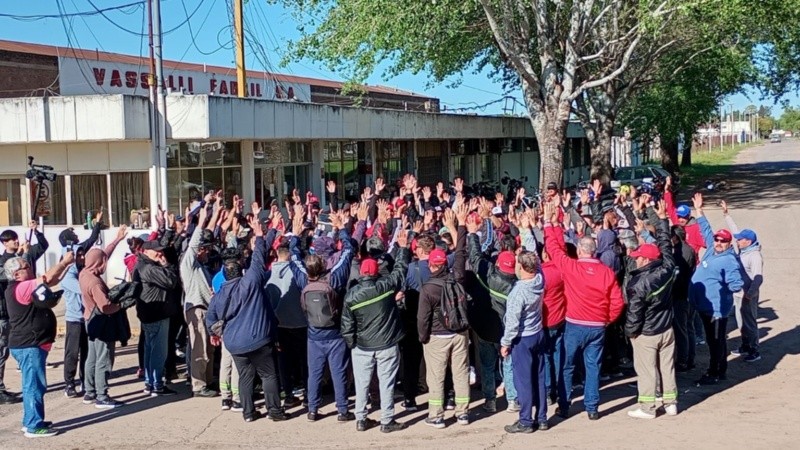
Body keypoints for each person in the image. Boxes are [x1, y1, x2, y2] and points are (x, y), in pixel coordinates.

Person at [543, 200, 625, 420]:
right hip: (597, 325)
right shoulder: (606, 272)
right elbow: (618, 301)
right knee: (592, 367)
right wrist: (607, 319)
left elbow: (554, 250)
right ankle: (592, 408)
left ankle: (564, 405)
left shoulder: (572, 267)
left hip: (574, 324)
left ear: (579, 250)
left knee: (567, 367)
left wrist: (551, 225)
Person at [206, 215, 287, 422]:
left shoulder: (219, 294)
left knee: (245, 376)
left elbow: (210, 319)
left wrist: (218, 333)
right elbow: (259, 257)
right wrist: (261, 235)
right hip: (258, 338)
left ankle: (248, 413)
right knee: (268, 375)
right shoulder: (250, 282)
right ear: (240, 269)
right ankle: (275, 412)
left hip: (235, 343)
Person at [286, 210, 357, 422]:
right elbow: (348, 251)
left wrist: (297, 235)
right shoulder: (335, 278)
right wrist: (342, 228)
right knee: (338, 372)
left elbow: (293, 256)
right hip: (335, 332)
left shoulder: (303, 279)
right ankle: (343, 410)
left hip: (314, 333)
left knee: (314, 373)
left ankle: (313, 409)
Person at [340, 227, 410, 433]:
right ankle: (387, 421)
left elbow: (346, 325)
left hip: (362, 346)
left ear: (362, 272)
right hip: (386, 343)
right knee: (386, 383)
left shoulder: (352, 295)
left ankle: (361, 418)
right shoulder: (385, 286)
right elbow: (400, 270)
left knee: (361, 385)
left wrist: (352, 344)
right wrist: (403, 248)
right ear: (376, 271)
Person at [4, 251, 73, 437]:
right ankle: (33, 425)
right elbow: (47, 277)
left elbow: (51, 281)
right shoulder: (21, 287)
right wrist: (64, 261)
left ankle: (32, 420)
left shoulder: (24, 286)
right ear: (16, 274)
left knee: (33, 384)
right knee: (34, 385)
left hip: (31, 344)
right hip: (29, 345)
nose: (30, 269)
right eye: (26, 267)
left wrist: (65, 265)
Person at [624, 201, 679, 419]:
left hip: (647, 333)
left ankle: (647, 408)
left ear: (646, 259)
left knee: (647, 371)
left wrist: (631, 333)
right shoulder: (667, 267)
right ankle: (671, 402)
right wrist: (663, 220)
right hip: (666, 327)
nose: (636, 260)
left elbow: (634, 314)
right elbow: (665, 245)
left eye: (638, 257)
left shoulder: (638, 285)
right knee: (667, 367)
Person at [418, 207, 470, 429]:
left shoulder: (428, 288)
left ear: (431, 265)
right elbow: (461, 251)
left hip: (437, 336)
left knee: (436, 377)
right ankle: (463, 414)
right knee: (461, 373)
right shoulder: (457, 276)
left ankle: (436, 415)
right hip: (460, 332)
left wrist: (423, 337)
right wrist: (459, 226)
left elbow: (423, 318)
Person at [689, 194, 744, 386]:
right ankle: (720, 370)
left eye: (723, 241)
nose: (718, 243)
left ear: (729, 243)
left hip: (716, 310)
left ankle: (715, 372)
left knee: (715, 342)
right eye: (717, 240)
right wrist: (699, 210)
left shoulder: (729, 260)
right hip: (705, 306)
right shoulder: (713, 250)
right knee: (716, 341)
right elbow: (705, 230)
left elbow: (737, 284)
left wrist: (727, 288)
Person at [0, 220, 49, 405]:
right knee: (4, 349)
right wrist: (22, 256)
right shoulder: (4, 262)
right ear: (5, 243)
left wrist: (36, 232)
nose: (15, 241)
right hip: (10, 311)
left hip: (29, 308)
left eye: (15, 238)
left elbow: (43, 246)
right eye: (11, 239)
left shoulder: (26, 256)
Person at [79, 238, 131, 409]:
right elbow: (105, 307)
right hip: (102, 323)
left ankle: (89, 391)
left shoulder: (84, 273)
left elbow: (101, 256)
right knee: (104, 359)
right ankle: (102, 395)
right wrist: (122, 304)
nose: (106, 264)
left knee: (91, 358)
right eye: (104, 262)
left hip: (89, 320)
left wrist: (116, 240)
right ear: (100, 263)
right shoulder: (95, 283)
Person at [500, 251, 547, 434]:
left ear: (520, 267)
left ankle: (526, 420)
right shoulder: (540, 280)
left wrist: (506, 343)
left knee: (524, 381)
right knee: (540, 377)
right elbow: (538, 266)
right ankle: (542, 418)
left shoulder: (518, 292)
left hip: (523, 338)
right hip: (538, 333)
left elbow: (512, 322)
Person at [134, 239, 181, 396]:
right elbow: (171, 281)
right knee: (158, 352)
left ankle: (150, 383)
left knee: (150, 349)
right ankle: (157, 384)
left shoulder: (141, 265)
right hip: (157, 313)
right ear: (146, 251)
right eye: (157, 251)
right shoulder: (149, 268)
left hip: (148, 313)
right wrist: (166, 265)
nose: (160, 254)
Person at [181, 199, 218, 398]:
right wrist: (202, 219)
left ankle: (208, 380)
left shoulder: (202, 267)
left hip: (206, 309)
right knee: (200, 349)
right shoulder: (189, 264)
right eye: (207, 249)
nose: (209, 252)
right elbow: (193, 244)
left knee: (209, 349)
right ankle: (198, 384)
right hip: (196, 309)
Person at [721, 201, 763, 362]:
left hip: (748, 295)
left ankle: (754, 350)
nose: (737, 241)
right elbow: (734, 230)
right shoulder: (742, 249)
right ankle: (745, 345)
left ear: (748, 241)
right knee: (740, 322)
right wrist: (726, 214)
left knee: (750, 322)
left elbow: (758, 278)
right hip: (738, 293)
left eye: (740, 239)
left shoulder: (755, 256)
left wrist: (750, 294)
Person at [670, 225, 698, 372]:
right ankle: (690, 358)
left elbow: (678, 276)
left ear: (675, 237)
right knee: (689, 327)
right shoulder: (690, 249)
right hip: (689, 294)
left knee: (681, 329)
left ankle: (683, 360)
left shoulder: (681, 252)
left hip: (681, 296)